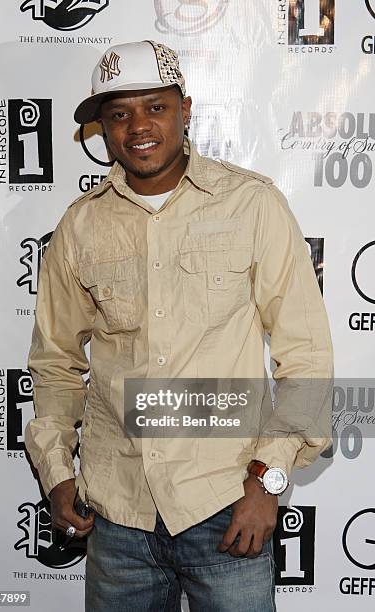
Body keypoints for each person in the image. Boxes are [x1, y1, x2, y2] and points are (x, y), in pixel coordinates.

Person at [25, 40, 333, 611]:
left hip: (226, 503)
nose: (138, 126)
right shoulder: (79, 226)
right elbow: (55, 363)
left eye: (155, 107)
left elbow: (307, 356)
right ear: (103, 129)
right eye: (119, 113)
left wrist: (267, 482)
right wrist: (55, 470)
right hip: (117, 517)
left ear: (185, 109)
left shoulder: (252, 204)